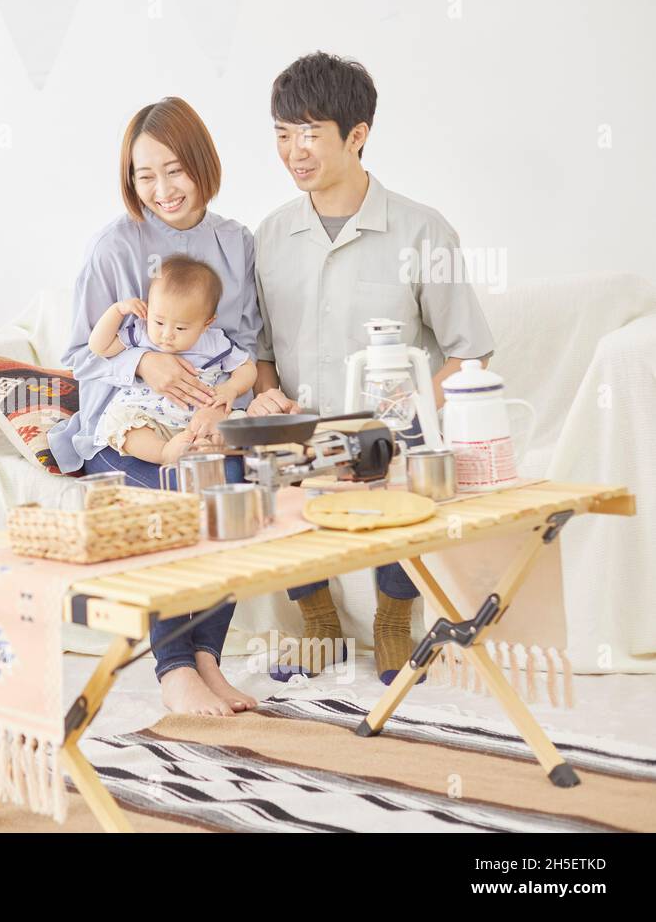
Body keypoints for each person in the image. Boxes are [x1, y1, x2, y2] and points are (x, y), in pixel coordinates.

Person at [248, 52, 495, 683]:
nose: (293, 151)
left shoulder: (421, 231)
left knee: (403, 471)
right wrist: (271, 398)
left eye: (310, 134)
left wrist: (405, 419)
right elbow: (263, 352)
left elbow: (469, 349)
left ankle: (393, 624)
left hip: (393, 437)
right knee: (265, 468)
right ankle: (320, 627)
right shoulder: (269, 237)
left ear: (358, 135)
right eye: (282, 133)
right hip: (302, 437)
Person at [48, 96, 261, 716]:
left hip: (204, 421)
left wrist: (225, 405)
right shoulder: (113, 246)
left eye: (175, 169)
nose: (163, 188)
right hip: (126, 430)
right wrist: (144, 362)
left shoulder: (235, 242)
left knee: (237, 487)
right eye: (145, 175)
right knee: (183, 488)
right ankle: (173, 669)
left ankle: (207, 661)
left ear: (201, 163)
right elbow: (78, 354)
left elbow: (243, 345)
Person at [89, 255, 256, 464]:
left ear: (206, 324)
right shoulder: (142, 332)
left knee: (239, 423)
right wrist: (117, 311)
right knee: (121, 419)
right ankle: (164, 453)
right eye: (159, 321)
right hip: (148, 415)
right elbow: (100, 347)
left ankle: (204, 447)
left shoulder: (214, 343)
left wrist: (232, 388)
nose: (167, 334)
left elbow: (247, 367)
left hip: (200, 421)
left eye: (180, 328)